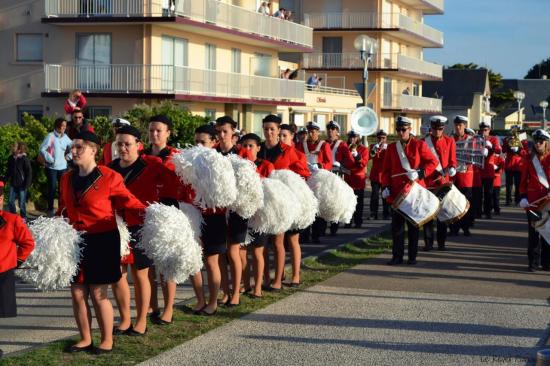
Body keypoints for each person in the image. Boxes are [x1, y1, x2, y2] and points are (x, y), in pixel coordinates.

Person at [58, 131, 145, 354]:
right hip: (75, 241)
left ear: (94, 150)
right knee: (77, 292)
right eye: (72, 148)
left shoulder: (108, 176)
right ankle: (85, 339)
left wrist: (152, 213)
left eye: (79, 147)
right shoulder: (66, 178)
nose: (74, 152)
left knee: (98, 293)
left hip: (103, 239)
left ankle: (107, 340)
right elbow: (63, 209)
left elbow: (129, 201)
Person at [109, 125, 174, 336]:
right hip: (117, 226)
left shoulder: (151, 165)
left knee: (140, 274)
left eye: (127, 144)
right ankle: (125, 319)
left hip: (141, 225)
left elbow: (172, 184)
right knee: (117, 275)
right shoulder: (110, 168)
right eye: (119, 144)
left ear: (138, 145)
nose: (123, 148)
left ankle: (141, 320)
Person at [143, 115, 202, 322]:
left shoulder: (177, 156)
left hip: (171, 209)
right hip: (147, 208)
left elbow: (188, 184)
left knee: (166, 262)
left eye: (159, 130)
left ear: (168, 133)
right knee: (147, 263)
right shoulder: (141, 155)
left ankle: (169, 309)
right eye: (151, 130)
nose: (154, 134)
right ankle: (153, 305)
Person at [258, 114, 309, 291]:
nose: (269, 132)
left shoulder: (288, 151)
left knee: (279, 241)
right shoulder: (259, 149)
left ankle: (279, 279)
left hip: (282, 202)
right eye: (266, 129)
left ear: (279, 131)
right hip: (262, 200)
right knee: (262, 243)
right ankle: (264, 277)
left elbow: (302, 173)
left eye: (272, 129)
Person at [381, 116, 438, 265]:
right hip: (397, 193)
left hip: (414, 192)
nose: (401, 133)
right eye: (398, 129)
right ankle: (397, 256)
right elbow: (386, 170)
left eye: (403, 129)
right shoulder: (392, 148)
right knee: (397, 228)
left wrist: (420, 173)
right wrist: (386, 186)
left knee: (413, 227)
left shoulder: (419, 145)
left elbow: (433, 162)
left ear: (410, 129)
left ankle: (412, 257)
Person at [193, 124, 227, 315]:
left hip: (215, 217)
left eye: (203, 142)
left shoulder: (220, 163)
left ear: (214, 143)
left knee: (212, 261)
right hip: (195, 215)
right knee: (194, 259)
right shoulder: (191, 161)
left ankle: (213, 301)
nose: (198, 145)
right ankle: (200, 300)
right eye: (196, 141)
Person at [0, 180, 35, 359]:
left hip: (3, 272)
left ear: (2, 199)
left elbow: (28, 243)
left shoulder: (12, 220)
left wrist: (15, 260)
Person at [239, 133, 274, 298]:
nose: (247, 149)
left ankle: (258, 287)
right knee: (242, 252)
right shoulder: (238, 165)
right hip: (242, 214)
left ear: (258, 148)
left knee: (258, 252)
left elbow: (271, 190)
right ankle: (245, 284)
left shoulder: (266, 165)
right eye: (244, 146)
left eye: (250, 146)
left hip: (259, 215)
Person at [215, 116, 244, 307]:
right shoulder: (213, 153)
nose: (221, 135)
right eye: (218, 132)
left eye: (225, 131)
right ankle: (224, 291)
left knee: (233, 251)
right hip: (217, 209)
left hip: (236, 208)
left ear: (233, 131)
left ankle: (236, 293)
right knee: (220, 253)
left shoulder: (241, 154)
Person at [422, 116, 457, 251]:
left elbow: (452, 159)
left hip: (443, 182)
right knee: (428, 215)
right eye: (435, 129)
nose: (437, 131)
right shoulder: (424, 142)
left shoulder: (449, 141)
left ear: (443, 128)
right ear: (431, 128)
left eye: (440, 129)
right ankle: (428, 243)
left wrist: (453, 167)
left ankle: (441, 243)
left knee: (442, 215)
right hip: (428, 183)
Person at [278, 124, 306, 286]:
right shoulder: (276, 153)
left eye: (284, 136)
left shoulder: (298, 154)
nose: (281, 139)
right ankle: (279, 274)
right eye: (279, 136)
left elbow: (303, 176)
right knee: (278, 240)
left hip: (293, 201)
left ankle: (296, 275)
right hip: (279, 202)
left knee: (293, 239)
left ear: (291, 137)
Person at [519, 129, 550, 272]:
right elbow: (523, 180)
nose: (538, 144)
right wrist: (523, 196)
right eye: (536, 141)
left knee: (547, 232)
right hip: (533, 201)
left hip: (548, 200)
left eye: (541, 142)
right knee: (534, 233)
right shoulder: (529, 159)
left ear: (546, 143)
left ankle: (547, 262)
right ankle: (533, 262)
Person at [296, 121, 332, 243]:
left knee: (317, 208)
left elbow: (329, 162)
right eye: (309, 131)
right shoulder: (302, 145)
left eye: (313, 131)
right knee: (306, 207)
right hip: (305, 180)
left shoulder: (324, 145)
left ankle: (316, 235)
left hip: (318, 179)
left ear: (318, 132)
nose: (311, 134)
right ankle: (304, 235)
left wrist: (320, 165)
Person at [39, 117, 72, 217]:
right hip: (52, 168)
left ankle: (61, 209)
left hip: (63, 168)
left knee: (62, 189)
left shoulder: (66, 137)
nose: (64, 128)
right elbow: (42, 149)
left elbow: (73, 147)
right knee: (52, 189)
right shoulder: (50, 136)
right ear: (57, 126)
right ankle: (50, 209)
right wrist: (49, 158)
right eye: (63, 126)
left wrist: (69, 156)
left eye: (65, 126)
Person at [326, 120, 354, 234]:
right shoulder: (324, 144)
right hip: (326, 176)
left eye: (333, 129)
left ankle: (334, 226)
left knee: (335, 201)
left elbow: (350, 161)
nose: (330, 131)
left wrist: (341, 164)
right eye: (329, 129)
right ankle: (321, 228)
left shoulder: (342, 145)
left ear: (337, 131)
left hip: (337, 176)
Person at [450, 116, 474, 236]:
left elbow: (476, 157)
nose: (458, 127)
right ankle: (454, 228)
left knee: (466, 204)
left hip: (466, 177)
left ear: (465, 126)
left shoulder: (471, 139)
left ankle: (466, 227)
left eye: (460, 125)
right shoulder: (450, 139)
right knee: (453, 203)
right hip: (453, 176)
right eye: (456, 125)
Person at [344, 130, 369, 228]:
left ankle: (358, 221)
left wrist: (357, 156)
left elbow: (364, 163)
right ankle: (348, 221)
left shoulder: (363, 149)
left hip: (358, 179)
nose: (352, 139)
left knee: (358, 203)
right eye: (351, 137)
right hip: (347, 178)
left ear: (358, 137)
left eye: (354, 137)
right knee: (347, 202)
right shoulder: (345, 147)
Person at [479, 121, 502, 219]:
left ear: (489, 130)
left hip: (488, 170)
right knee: (478, 194)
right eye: (482, 130)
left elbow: (499, 150)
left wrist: (491, 146)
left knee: (488, 193)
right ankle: (478, 212)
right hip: (478, 171)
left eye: (486, 130)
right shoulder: (476, 138)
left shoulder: (493, 139)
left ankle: (488, 212)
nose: (483, 132)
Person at [5, 142, 32, 220]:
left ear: (19, 149)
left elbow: (29, 172)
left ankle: (23, 217)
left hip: (22, 184)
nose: (13, 148)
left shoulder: (24, 159)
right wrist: (5, 179)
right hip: (13, 183)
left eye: (15, 147)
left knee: (21, 203)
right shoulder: (11, 158)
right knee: (10, 201)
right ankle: (13, 217)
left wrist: (27, 184)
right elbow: (9, 170)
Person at [503, 126, 528, 206]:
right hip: (509, 164)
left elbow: (526, 152)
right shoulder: (507, 139)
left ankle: (518, 200)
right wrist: (508, 145)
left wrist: (519, 150)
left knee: (518, 184)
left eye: (516, 131)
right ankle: (508, 200)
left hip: (518, 165)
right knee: (508, 184)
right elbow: (503, 150)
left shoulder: (523, 140)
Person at [369, 130, 390, 220]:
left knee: (385, 196)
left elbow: (390, 160)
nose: (381, 139)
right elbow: (369, 157)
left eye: (383, 138)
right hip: (375, 175)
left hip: (385, 176)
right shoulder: (372, 146)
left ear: (386, 138)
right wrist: (374, 149)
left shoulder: (389, 148)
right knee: (374, 196)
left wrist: (386, 150)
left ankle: (386, 214)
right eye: (379, 138)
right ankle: (373, 213)